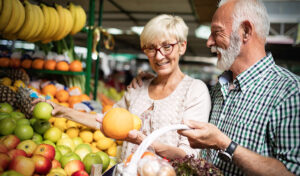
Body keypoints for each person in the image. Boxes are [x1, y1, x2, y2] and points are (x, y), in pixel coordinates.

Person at [130, 0, 300, 175]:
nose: (209, 42)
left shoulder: (290, 92)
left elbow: (292, 172)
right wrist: (153, 80)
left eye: (216, 33)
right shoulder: (219, 90)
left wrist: (226, 145)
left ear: (246, 32)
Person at [32, 14, 211, 162]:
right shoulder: (139, 87)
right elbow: (104, 121)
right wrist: (62, 111)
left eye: (167, 46)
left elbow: (189, 155)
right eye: (151, 48)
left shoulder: (194, 91)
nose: (159, 56)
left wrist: (145, 142)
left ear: (182, 47)